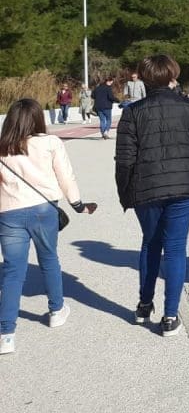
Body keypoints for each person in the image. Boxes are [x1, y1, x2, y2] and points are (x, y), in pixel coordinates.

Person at [115, 54, 189, 338]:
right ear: (171, 75)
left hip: (147, 191)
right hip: (183, 189)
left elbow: (124, 161)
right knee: (175, 249)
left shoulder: (132, 113)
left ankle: (144, 305)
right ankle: (170, 316)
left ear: (143, 79)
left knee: (150, 244)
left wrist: (125, 194)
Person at [0, 98, 98, 355]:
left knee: (12, 272)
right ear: (37, 119)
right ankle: (56, 310)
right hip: (43, 211)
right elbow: (66, 176)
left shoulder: (2, 147)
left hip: (9, 213)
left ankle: (6, 334)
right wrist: (78, 205)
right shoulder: (50, 143)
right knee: (49, 260)